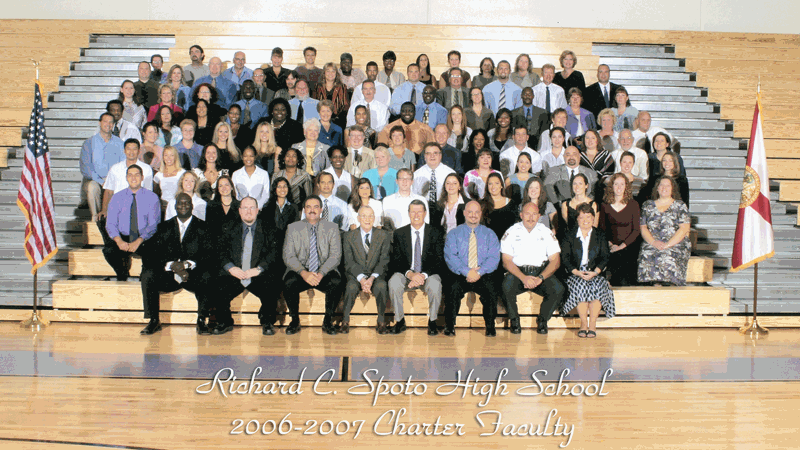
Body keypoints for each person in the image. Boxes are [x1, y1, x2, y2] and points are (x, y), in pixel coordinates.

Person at [139, 193, 212, 335]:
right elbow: (151, 254)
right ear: (175, 206)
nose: (183, 206)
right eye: (180, 203)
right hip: (168, 275)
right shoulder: (163, 227)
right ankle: (153, 320)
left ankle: (202, 320)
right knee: (148, 274)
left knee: (207, 275)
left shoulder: (203, 227)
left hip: (192, 275)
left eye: (187, 203)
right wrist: (171, 265)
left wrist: (187, 264)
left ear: (192, 206)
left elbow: (209, 255)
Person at [217, 196, 283, 335]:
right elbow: (220, 251)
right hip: (235, 273)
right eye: (245, 208)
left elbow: (274, 253)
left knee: (272, 282)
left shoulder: (269, 228)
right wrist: (231, 268)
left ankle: (267, 322)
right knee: (218, 283)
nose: (248, 211)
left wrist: (258, 269)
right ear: (239, 211)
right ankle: (224, 322)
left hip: (256, 274)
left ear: (257, 210)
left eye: (252, 207)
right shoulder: (228, 227)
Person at [501, 201, 566, 334]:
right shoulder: (512, 231)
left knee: (558, 289)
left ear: (539, 216)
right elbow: (506, 261)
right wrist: (523, 278)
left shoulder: (546, 232)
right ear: (521, 215)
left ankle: (542, 321)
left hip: (540, 272)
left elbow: (555, 260)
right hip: (518, 273)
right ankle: (514, 320)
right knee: (505, 286)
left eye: (534, 214)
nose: (531, 218)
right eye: (527, 214)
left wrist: (540, 278)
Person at [283, 195, 343, 335]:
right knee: (288, 282)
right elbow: (288, 256)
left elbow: (335, 256)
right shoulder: (293, 228)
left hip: (323, 272)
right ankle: (294, 321)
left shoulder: (332, 228)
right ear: (304, 210)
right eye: (308, 207)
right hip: (301, 271)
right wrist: (304, 273)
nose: (312, 210)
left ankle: (328, 321)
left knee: (336, 281)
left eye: (316, 207)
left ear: (321, 209)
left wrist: (321, 273)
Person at [388, 200, 445, 335]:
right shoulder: (399, 233)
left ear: (425, 213)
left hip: (428, 273)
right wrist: (411, 275)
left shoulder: (435, 232)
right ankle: (400, 321)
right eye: (413, 211)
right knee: (394, 282)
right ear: (408, 213)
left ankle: (432, 322)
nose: (416, 215)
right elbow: (396, 261)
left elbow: (438, 261)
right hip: (407, 274)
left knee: (436, 285)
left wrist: (422, 275)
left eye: (419, 211)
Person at [444, 200, 501, 336]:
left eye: (476, 212)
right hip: (460, 273)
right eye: (470, 212)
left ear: (481, 214)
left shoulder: (490, 234)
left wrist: (479, 272)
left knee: (491, 289)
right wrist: (467, 271)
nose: (473, 215)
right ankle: (450, 326)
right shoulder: (454, 233)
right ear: (464, 213)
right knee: (452, 289)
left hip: (482, 273)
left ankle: (490, 326)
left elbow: (494, 258)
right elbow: (451, 257)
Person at [560, 203, 614, 338]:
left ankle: (592, 325)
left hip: (595, 272)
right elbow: (565, 258)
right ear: (577, 219)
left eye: (589, 217)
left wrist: (595, 272)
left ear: (593, 218)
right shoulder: (569, 235)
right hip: (576, 272)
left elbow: (605, 256)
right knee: (580, 286)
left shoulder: (600, 234)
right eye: (582, 217)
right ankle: (584, 324)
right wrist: (577, 272)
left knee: (598, 286)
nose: (585, 220)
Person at [103, 164, 161, 281]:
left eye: (137, 175)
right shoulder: (117, 197)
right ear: (126, 177)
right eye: (130, 175)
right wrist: (119, 241)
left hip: (144, 238)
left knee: (155, 249)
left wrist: (139, 240)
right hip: (123, 237)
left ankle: (145, 277)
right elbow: (111, 223)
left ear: (142, 177)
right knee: (109, 250)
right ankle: (122, 273)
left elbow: (153, 225)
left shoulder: (152, 197)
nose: (133, 178)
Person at [341, 205, 392, 334]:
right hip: (356, 275)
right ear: (358, 218)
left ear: (374, 218)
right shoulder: (348, 236)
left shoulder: (383, 235)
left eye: (370, 216)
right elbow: (349, 262)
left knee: (381, 286)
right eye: (364, 216)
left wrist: (372, 278)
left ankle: (381, 321)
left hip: (376, 275)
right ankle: (345, 321)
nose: (367, 219)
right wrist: (362, 279)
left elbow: (384, 260)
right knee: (351, 287)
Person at [638, 176, 691, 286]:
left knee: (666, 256)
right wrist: (653, 242)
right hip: (653, 242)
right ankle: (654, 287)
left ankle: (670, 287)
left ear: (672, 189)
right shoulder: (647, 205)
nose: (664, 188)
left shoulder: (680, 205)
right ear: (657, 188)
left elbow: (684, 228)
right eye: (661, 185)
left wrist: (667, 245)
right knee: (647, 253)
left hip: (675, 243)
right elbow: (643, 227)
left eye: (667, 185)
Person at [80, 113, 124, 221]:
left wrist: (112, 181)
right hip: (97, 180)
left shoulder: (120, 143)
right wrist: (101, 181)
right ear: (100, 123)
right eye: (105, 121)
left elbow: (123, 165)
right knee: (92, 187)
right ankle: (95, 218)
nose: (108, 124)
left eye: (110, 122)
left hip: (114, 181)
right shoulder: (89, 143)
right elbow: (86, 168)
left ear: (113, 124)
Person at [600, 173, 641, 286]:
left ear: (626, 186)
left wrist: (622, 246)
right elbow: (602, 229)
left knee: (625, 265)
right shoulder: (605, 205)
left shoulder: (633, 204)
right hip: (611, 246)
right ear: (611, 186)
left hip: (629, 246)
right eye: (616, 184)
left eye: (622, 184)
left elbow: (636, 230)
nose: (619, 187)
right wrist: (611, 245)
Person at [100, 139, 154, 219]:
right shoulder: (115, 168)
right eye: (128, 149)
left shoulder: (147, 169)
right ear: (124, 151)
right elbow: (108, 191)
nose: (131, 152)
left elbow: (148, 193)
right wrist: (104, 210)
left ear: (139, 151)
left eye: (134, 149)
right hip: (117, 208)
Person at [315, 62, 350, 128]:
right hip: (320, 120)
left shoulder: (342, 87)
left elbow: (345, 107)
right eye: (328, 71)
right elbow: (315, 105)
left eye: (333, 71)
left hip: (338, 121)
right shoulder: (318, 87)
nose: (330, 74)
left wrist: (336, 120)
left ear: (336, 74)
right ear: (324, 73)